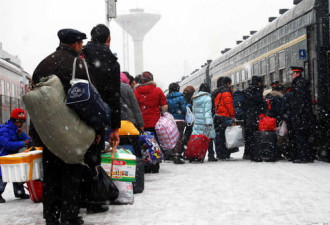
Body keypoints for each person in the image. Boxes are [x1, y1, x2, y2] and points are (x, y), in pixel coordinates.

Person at [31, 28, 89, 225]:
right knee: (71, 172)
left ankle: (51, 215)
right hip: (69, 128)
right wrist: (93, 127)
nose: (81, 48)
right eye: (81, 44)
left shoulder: (42, 64)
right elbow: (84, 97)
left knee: (51, 174)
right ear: (75, 44)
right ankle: (70, 215)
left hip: (46, 130)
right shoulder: (76, 63)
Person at [81, 24, 122, 214]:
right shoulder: (111, 61)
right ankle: (94, 199)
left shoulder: (80, 54)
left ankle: (77, 197)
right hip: (99, 114)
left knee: (78, 155)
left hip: (77, 111)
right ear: (109, 39)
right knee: (94, 156)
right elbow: (114, 96)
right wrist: (115, 127)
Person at [134, 71, 168, 173]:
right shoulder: (157, 90)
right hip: (155, 123)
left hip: (141, 124)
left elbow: (134, 107)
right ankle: (155, 165)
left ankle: (146, 165)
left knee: (143, 144)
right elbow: (164, 106)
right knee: (155, 144)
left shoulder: (136, 92)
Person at [284, 66, 315, 163]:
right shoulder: (301, 83)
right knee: (305, 135)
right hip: (305, 114)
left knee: (300, 135)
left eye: (293, 74)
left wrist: (296, 114)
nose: (292, 76)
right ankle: (308, 156)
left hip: (301, 115)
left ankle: (303, 157)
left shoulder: (299, 84)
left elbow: (299, 102)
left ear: (297, 73)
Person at [0, 109, 31, 203]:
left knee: (17, 174)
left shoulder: (17, 130)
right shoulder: (5, 130)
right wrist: (22, 143)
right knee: (3, 176)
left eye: (22, 122)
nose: (21, 124)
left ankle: (19, 191)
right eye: (20, 122)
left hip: (13, 157)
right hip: (4, 157)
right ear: (15, 121)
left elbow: (28, 140)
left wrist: (22, 135)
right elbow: (7, 144)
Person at [243, 75, 266, 161]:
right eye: (261, 82)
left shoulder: (248, 90)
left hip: (248, 115)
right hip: (255, 115)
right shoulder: (257, 90)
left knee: (248, 135)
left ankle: (247, 153)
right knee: (255, 135)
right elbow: (259, 102)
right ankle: (254, 154)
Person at [212, 76, 235, 160]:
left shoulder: (216, 93)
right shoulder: (226, 93)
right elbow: (229, 106)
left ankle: (219, 154)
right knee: (226, 136)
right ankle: (225, 155)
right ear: (227, 83)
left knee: (219, 137)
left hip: (217, 116)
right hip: (225, 116)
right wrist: (233, 116)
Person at [191, 83, 216, 161]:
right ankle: (211, 155)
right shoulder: (207, 98)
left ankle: (197, 154)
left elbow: (194, 111)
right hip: (205, 121)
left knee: (198, 138)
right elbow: (207, 111)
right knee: (209, 138)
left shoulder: (195, 98)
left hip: (197, 121)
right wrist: (208, 122)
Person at [166, 82, 186, 164]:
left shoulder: (167, 98)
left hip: (170, 120)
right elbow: (183, 108)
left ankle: (172, 153)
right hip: (180, 120)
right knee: (179, 137)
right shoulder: (181, 97)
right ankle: (177, 155)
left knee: (172, 137)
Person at [182, 86, 196, 156]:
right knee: (190, 135)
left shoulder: (183, 98)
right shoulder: (192, 100)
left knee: (186, 135)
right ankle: (189, 151)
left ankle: (184, 151)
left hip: (186, 120)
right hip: (191, 121)